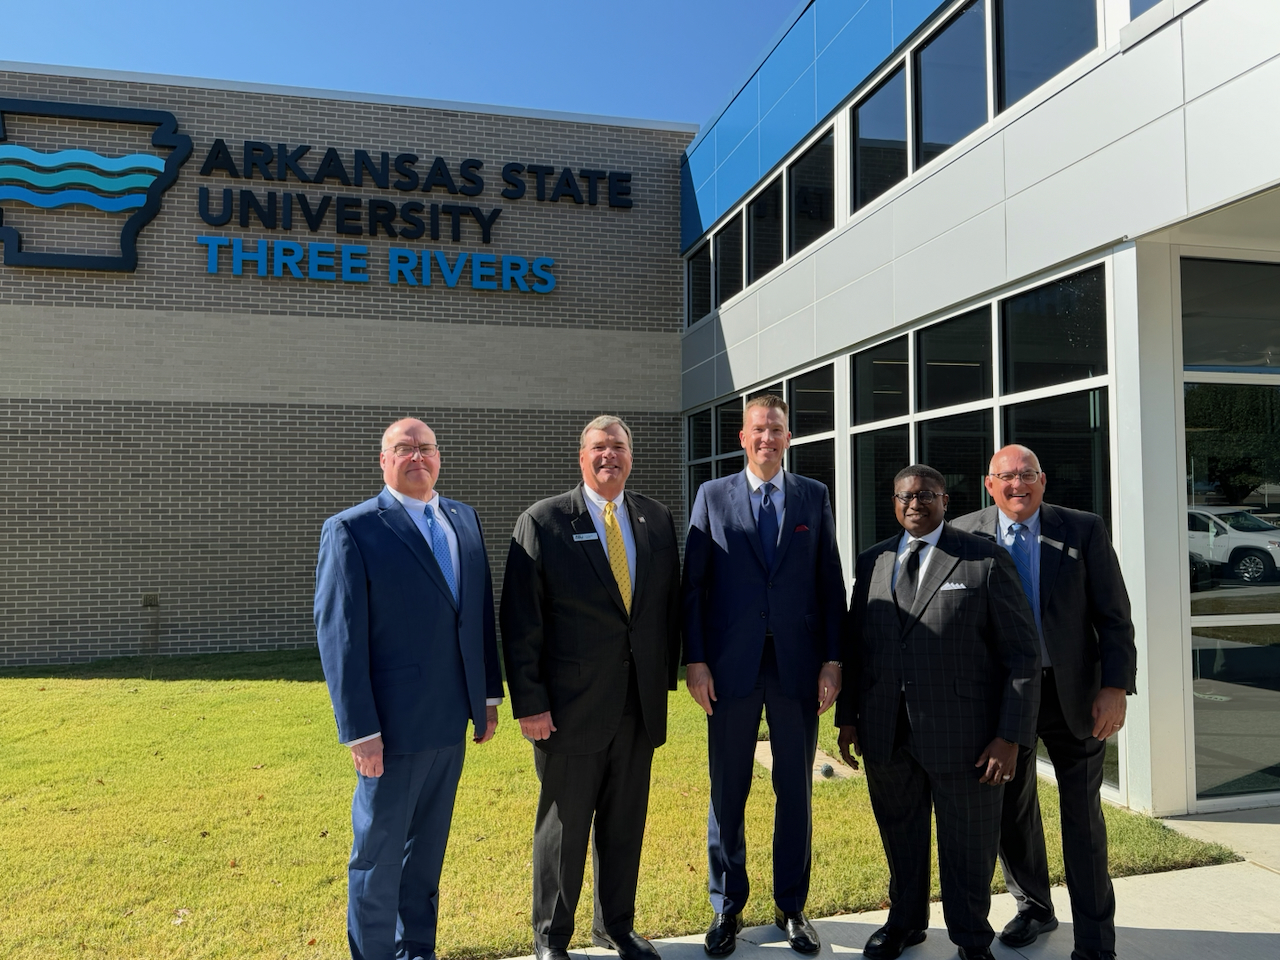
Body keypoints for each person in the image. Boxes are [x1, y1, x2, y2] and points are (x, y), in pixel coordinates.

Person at [314, 417, 503, 960]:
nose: (417, 456)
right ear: (384, 460)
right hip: (391, 730)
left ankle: (416, 949)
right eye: (404, 448)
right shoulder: (352, 529)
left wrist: (488, 698)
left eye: (426, 448)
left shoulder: (463, 519)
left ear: (439, 457)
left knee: (425, 857)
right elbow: (340, 637)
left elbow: (477, 615)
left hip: (451, 721)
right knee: (377, 857)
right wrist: (360, 731)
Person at [837, 464, 1041, 960]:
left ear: (945, 501)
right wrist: (848, 717)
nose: (915, 504)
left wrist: (1009, 737)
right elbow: (858, 647)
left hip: (967, 739)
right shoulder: (873, 560)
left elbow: (1022, 655)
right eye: (905, 496)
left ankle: (971, 938)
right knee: (900, 837)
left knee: (968, 846)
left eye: (926, 495)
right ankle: (905, 923)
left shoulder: (983, 559)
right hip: (887, 733)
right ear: (894, 503)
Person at [500, 416, 681, 960]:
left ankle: (616, 927)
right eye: (599, 447)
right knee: (565, 829)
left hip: (638, 705)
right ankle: (551, 937)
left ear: (631, 456)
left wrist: (667, 676)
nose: (609, 456)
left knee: (624, 826)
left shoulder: (655, 518)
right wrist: (530, 703)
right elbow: (521, 622)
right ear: (582, 457)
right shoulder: (544, 521)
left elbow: (666, 606)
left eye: (618, 447)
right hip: (569, 710)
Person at [952, 445, 1136, 960]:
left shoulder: (1083, 529)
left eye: (1027, 474)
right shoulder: (964, 534)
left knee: (1083, 819)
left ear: (1043, 480)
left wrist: (1115, 687)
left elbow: (1114, 616)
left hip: (1073, 695)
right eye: (1007, 477)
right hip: (1001, 698)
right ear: (989, 484)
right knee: (1011, 808)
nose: (1018, 485)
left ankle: (1096, 944)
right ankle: (1034, 906)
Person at [682, 393, 846, 957]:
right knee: (728, 788)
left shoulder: (813, 496)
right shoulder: (712, 496)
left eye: (776, 429)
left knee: (794, 789)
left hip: (797, 666)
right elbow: (694, 586)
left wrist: (833, 659)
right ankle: (727, 906)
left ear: (788, 438)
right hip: (730, 666)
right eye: (758, 429)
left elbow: (829, 580)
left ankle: (791, 906)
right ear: (743, 437)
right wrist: (696, 660)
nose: (767, 438)